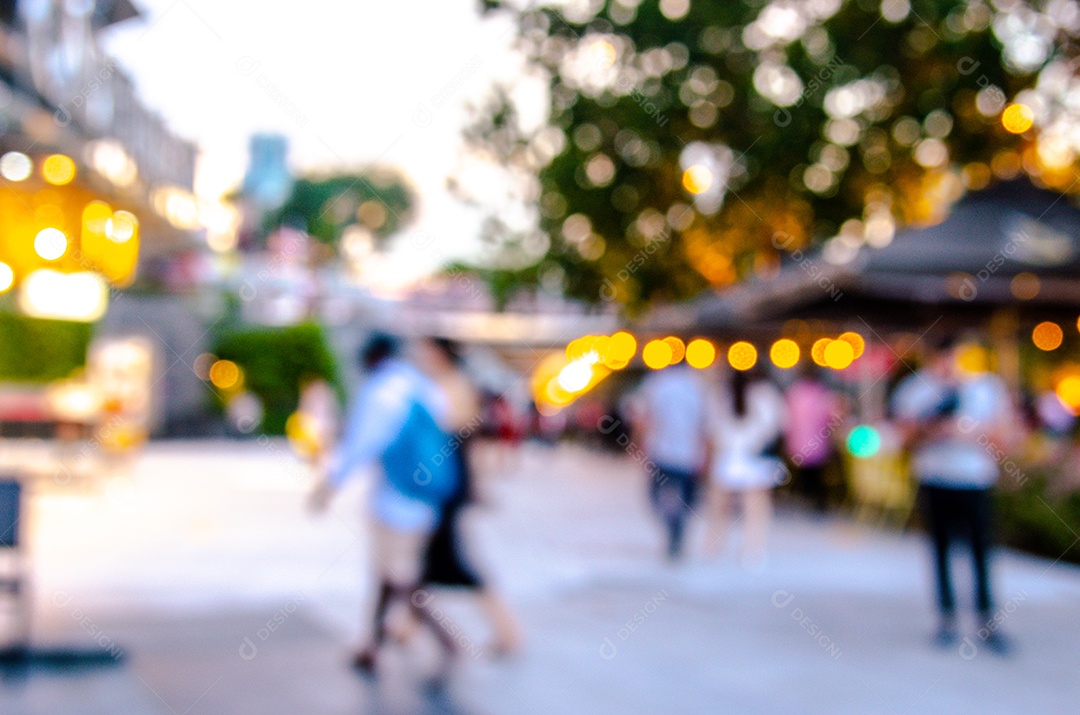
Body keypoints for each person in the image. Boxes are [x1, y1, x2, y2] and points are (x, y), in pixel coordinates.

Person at [309, 333, 460, 681]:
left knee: (396, 576)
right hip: (427, 497)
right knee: (387, 574)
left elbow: (361, 444)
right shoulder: (421, 386)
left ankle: (444, 639)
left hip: (395, 500)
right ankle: (372, 646)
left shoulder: (381, 394)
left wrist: (329, 486)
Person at [891, 336, 1016, 654]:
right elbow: (902, 437)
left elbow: (1006, 437)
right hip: (935, 479)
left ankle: (987, 619)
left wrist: (972, 433)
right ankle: (946, 619)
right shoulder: (917, 390)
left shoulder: (985, 388)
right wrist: (929, 430)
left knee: (980, 553)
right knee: (941, 551)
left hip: (974, 481)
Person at [406, 337, 523, 655]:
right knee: (429, 560)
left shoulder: (453, 386)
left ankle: (507, 631)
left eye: (426, 350)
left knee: (449, 561)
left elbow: (460, 436)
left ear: (439, 353)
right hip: (443, 482)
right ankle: (406, 627)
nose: (421, 356)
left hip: (448, 483)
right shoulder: (443, 384)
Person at [707, 366, 786, 568]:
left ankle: (715, 547)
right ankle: (753, 549)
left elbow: (712, 429)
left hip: (727, 457)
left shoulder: (721, 394)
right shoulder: (766, 394)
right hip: (754, 458)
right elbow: (777, 425)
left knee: (720, 507)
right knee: (756, 509)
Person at [634, 358, 711, 561]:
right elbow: (706, 424)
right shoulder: (698, 385)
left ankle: (672, 525)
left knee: (656, 495)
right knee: (687, 497)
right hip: (689, 454)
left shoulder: (657, 383)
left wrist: (638, 446)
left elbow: (643, 418)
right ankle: (677, 527)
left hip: (661, 452)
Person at [783, 365, 841, 512]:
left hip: (798, 442)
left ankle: (805, 499)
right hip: (817, 442)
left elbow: (786, 418)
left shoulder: (794, 392)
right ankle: (815, 503)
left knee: (804, 475)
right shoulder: (821, 393)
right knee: (816, 476)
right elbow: (831, 415)